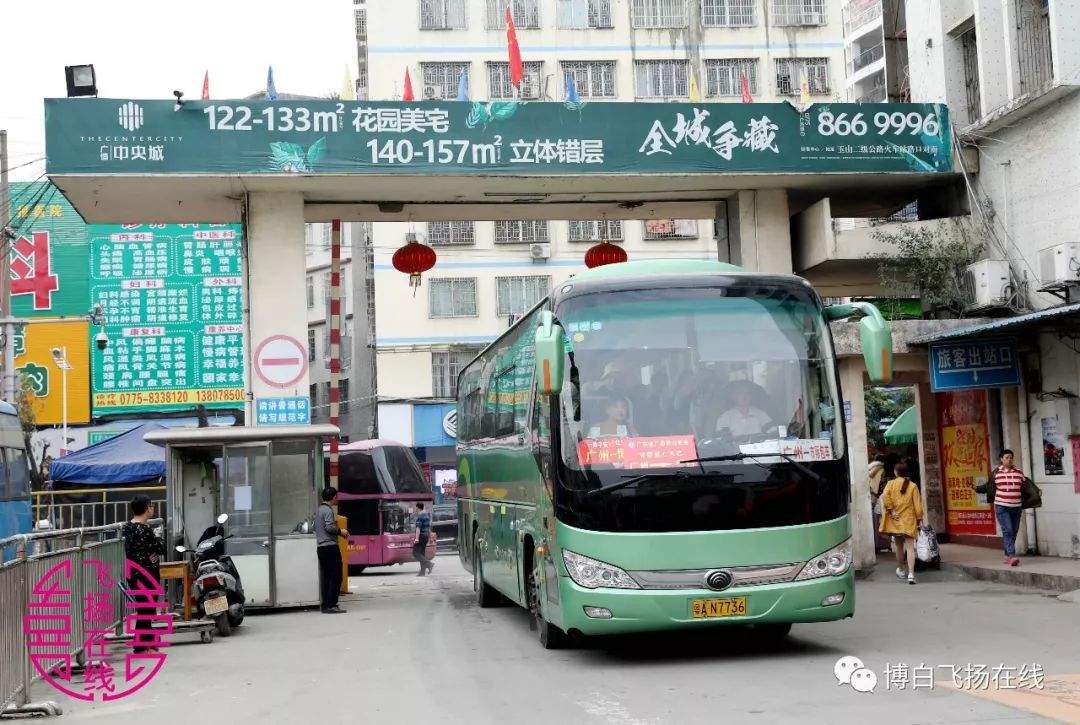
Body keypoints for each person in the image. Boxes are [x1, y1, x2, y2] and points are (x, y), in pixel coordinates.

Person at [122, 494, 164, 652]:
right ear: (147, 508)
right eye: (151, 505)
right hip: (146, 574)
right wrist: (159, 537)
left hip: (133, 573)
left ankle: (144, 643)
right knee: (146, 609)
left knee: (144, 608)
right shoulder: (145, 530)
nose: (153, 508)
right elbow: (159, 549)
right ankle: (143, 645)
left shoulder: (128, 526)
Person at [879, 461, 924, 585]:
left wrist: (891, 510)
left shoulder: (890, 484)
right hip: (909, 521)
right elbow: (918, 508)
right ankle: (911, 574)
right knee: (910, 548)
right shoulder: (913, 486)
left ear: (895, 472)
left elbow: (885, 497)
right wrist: (919, 519)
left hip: (896, 521)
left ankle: (901, 570)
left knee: (899, 547)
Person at [984, 449, 1025, 567]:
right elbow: (989, 487)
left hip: (1016, 506)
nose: (1009, 459)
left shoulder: (1019, 472)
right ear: (1001, 459)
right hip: (1002, 506)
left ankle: (1007, 556)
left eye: (1011, 457)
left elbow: (1024, 486)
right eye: (1007, 457)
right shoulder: (996, 473)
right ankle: (1012, 556)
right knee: (1008, 530)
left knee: (1014, 530)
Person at [314, 487, 349, 613]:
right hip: (330, 547)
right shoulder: (328, 511)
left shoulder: (318, 510)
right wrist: (341, 531)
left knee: (326, 577)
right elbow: (329, 527)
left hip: (321, 548)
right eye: (336, 497)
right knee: (336, 576)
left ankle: (325, 605)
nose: (337, 499)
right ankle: (332, 605)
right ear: (333, 497)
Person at [867, 457, 890, 552]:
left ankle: (875, 545)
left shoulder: (870, 469)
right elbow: (881, 486)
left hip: (870, 496)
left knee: (873, 522)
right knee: (879, 522)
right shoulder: (882, 470)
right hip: (877, 497)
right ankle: (880, 544)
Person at [413, 502, 434, 576]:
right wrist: (430, 537)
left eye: (415, 508)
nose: (415, 509)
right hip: (425, 537)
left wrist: (416, 538)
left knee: (415, 553)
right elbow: (429, 528)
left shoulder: (420, 516)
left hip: (421, 537)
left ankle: (429, 564)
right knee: (422, 554)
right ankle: (422, 572)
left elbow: (418, 528)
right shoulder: (427, 516)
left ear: (418, 508)